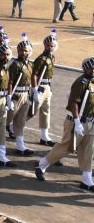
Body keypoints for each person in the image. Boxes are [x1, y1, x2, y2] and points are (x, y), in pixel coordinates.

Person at [35, 57, 94, 190]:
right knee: (67, 146)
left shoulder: (92, 83)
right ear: (86, 69)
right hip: (76, 121)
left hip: (90, 122)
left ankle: (87, 179)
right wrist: (77, 121)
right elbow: (73, 102)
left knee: (88, 150)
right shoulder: (81, 82)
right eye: (92, 68)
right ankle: (42, 164)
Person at [32, 30, 58, 146]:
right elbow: (34, 75)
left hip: (47, 86)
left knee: (46, 111)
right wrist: (35, 90)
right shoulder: (41, 59)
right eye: (48, 45)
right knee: (31, 111)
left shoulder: (52, 57)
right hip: (40, 86)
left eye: (52, 45)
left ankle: (44, 135)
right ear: (44, 45)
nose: (49, 47)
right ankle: (12, 127)